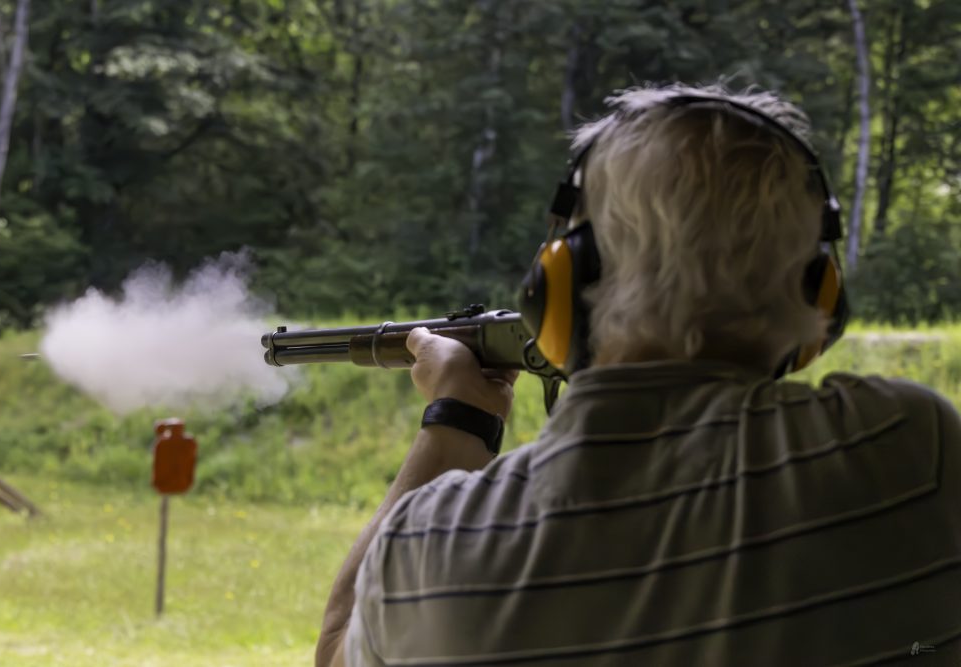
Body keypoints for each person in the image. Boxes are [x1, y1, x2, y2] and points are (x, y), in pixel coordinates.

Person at [315, 83, 961, 666]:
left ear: (559, 285)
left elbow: (338, 651)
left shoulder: (429, 545)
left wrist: (457, 417)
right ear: (821, 293)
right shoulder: (911, 445)